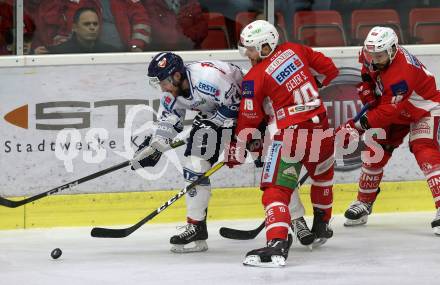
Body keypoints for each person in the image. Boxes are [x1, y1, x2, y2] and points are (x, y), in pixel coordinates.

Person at [226, 20, 339, 267]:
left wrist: (238, 148)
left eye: (252, 49)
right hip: (321, 128)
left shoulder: (254, 77)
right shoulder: (295, 49)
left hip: (291, 134)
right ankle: (321, 225)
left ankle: (277, 244)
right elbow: (331, 70)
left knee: (275, 191)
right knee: (322, 175)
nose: (248, 54)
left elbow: (249, 120)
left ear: (266, 46)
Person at [131, 52, 243, 253]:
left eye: (164, 81)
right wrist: (156, 145)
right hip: (216, 114)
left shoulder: (208, 79)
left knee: (272, 165)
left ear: (176, 76)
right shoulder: (170, 92)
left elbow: (236, 104)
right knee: (195, 166)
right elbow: (171, 120)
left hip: (251, 109)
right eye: (158, 83)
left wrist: (213, 124)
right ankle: (196, 227)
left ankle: (294, 219)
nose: (163, 88)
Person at [338, 26, 440, 236]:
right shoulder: (371, 53)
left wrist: (356, 126)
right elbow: (367, 73)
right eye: (371, 54)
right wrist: (367, 90)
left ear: (393, 50)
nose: (375, 59)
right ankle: (364, 202)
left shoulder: (402, 74)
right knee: (375, 151)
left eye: (380, 55)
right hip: (396, 108)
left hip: (424, 109)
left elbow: (386, 113)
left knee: (424, 150)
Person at [35, 0, 150, 53]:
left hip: (124, 53)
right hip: (92, 52)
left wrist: (136, 46)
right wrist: (57, 51)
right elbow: (71, 23)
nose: (92, 27)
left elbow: (141, 20)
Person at [47, 7, 120, 54]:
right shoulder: (58, 53)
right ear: (74, 27)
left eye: (95, 24)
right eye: (87, 24)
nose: (92, 27)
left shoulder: (110, 52)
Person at [142, 0, 208, 50]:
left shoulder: (191, 3)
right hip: (160, 53)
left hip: (191, 51)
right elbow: (155, 28)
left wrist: (186, 38)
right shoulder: (151, 4)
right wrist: (176, 39)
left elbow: (201, 28)